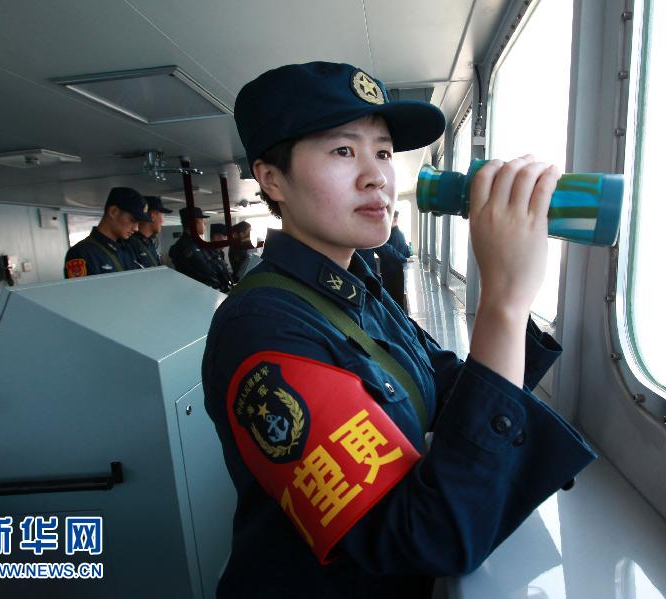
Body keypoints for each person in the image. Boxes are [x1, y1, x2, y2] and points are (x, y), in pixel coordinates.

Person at [202, 61, 596, 598]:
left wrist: (516, 292)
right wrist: (502, 301)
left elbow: (445, 389)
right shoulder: (263, 328)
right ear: (273, 179)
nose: (377, 176)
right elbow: (426, 538)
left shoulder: (355, 284)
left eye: (383, 152)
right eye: (343, 151)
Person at [64, 187, 151, 278]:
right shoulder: (81, 253)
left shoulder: (128, 248)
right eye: (132, 220)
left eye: (138, 223)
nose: (136, 228)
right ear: (113, 212)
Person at [169, 206, 230, 291]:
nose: (204, 224)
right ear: (194, 223)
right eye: (202, 221)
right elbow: (207, 271)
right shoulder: (185, 246)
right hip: (198, 292)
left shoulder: (198, 243)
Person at [375, 209, 412, 310]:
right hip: (396, 272)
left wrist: (403, 258)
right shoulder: (400, 234)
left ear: (395, 220)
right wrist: (404, 258)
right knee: (397, 300)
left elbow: (388, 252)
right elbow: (407, 252)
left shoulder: (393, 235)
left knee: (392, 301)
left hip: (391, 273)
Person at [125, 195, 172, 268]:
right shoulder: (129, 245)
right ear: (152, 216)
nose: (163, 221)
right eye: (162, 215)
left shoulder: (149, 243)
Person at [209, 223, 236, 290]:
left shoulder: (220, 253)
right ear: (216, 237)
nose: (226, 239)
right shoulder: (208, 252)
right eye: (225, 236)